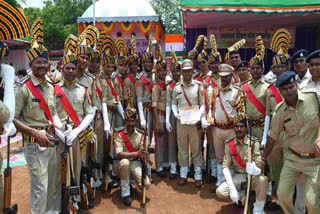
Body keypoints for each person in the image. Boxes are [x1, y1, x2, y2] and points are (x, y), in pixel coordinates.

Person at [13, 17, 66, 213]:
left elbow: (52, 115)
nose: (43, 66)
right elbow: (14, 119)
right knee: (40, 187)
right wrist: (35, 133)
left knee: (53, 183)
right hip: (34, 143)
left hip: (51, 141)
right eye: (39, 62)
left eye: (45, 62)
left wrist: (63, 130)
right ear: (31, 62)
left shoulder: (51, 86)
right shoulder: (23, 87)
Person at [266, 71, 320, 214]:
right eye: (284, 89)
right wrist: (263, 158)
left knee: (312, 203)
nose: (288, 91)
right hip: (293, 159)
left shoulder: (314, 98)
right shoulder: (279, 111)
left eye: (291, 87)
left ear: (297, 85)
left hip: (315, 161)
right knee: (282, 196)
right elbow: (272, 137)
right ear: (280, 91)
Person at [54, 48, 95, 208]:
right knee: (60, 171)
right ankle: (60, 202)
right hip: (59, 137)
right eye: (67, 68)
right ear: (62, 69)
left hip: (77, 137)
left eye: (73, 67)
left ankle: (75, 201)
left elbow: (89, 113)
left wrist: (77, 131)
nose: (70, 71)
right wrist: (60, 132)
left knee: (77, 169)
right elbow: (50, 113)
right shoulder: (54, 89)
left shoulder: (83, 90)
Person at [202, 63, 245, 190]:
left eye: (227, 76)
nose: (224, 79)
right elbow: (210, 108)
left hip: (232, 130)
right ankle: (220, 182)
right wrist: (207, 120)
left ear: (231, 76)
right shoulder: (214, 92)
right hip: (217, 129)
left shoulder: (236, 92)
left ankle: (231, 184)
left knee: (232, 157)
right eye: (222, 77)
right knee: (219, 157)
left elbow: (242, 113)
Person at [216, 113, 267, 214]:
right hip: (239, 176)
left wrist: (255, 169)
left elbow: (260, 163)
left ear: (246, 128)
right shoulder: (229, 143)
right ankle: (242, 197)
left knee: (262, 180)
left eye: (242, 126)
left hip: (252, 177)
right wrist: (231, 189)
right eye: (236, 126)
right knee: (220, 192)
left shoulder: (254, 143)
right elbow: (225, 166)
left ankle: (258, 209)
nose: (239, 129)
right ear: (234, 128)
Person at [172, 59, 204, 187]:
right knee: (183, 149)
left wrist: (199, 116)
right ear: (181, 72)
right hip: (182, 123)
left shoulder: (198, 86)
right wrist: (175, 114)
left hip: (195, 123)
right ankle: (183, 174)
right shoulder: (177, 88)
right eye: (184, 71)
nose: (187, 73)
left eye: (189, 71)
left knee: (196, 149)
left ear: (192, 71)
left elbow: (202, 104)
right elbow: (174, 103)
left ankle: (197, 175)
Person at [113, 106, 151, 206]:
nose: (130, 124)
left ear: (136, 122)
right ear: (125, 121)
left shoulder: (141, 134)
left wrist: (143, 153)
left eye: (133, 121)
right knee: (125, 162)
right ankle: (125, 193)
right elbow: (119, 154)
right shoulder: (118, 134)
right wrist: (137, 154)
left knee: (146, 184)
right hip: (120, 164)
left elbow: (144, 153)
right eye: (128, 121)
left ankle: (128, 184)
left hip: (135, 163)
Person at [152, 44, 168, 177]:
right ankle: (159, 167)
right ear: (157, 72)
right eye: (161, 70)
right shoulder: (156, 86)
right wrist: (157, 122)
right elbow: (154, 105)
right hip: (160, 116)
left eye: (165, 70)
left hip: (167, 116)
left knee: (166, 142)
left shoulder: (167, 84)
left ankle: (165, 164)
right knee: (160, 143)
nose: (164, 72)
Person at [165, 47, 181, 180]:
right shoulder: (169, 86)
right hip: (172, 116)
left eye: (178, 71)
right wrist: (167, 120)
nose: (176, 74)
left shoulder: (183, 85)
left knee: (182, 142)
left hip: (183, 117)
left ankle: (183, 166)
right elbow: (168, 104)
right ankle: (173, 167)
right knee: (172, 143)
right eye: (174, 71)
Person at [135, 36, 154, 140]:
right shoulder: (140, 79)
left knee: (150, 137)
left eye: (150, 61)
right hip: (145, 110)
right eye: (146, 62)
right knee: (143, 138)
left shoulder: (155, 76)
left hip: (154, 110)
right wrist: (142, 118)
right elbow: (139, 100)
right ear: (142, 63)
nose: (148, 64)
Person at [113, 37, 128, 128]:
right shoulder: (115, 78)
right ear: (117, 65)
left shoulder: (125, 77)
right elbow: (117, 99)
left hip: (126, 108)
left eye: (125, 66)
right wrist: (123, 115)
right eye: (121, 65)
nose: (123, 68)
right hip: (118, 110)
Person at [124, 35, 139, 109]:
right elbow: (126, 98)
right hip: (131, 107)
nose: (134, 66)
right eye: (132, 64)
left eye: (135, 64)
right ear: (129, 66)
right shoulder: (127, 79)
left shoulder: (139, 76)